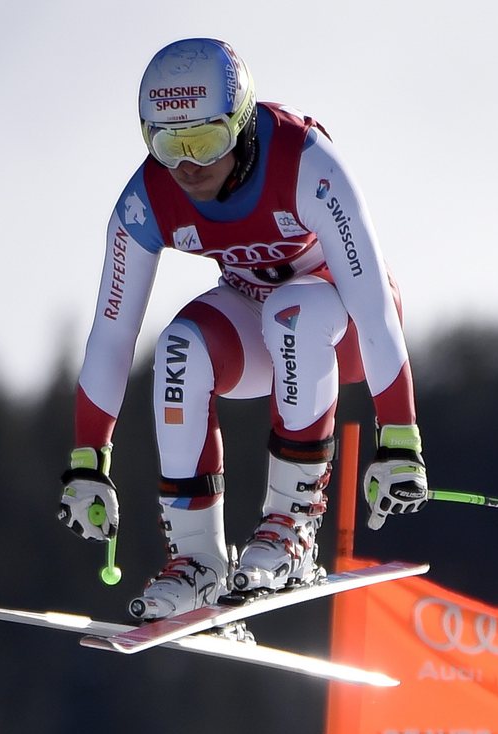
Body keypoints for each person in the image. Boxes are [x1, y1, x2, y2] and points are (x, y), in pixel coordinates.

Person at [57, 37, 427, 620]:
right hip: (259, 315)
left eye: (205, 142)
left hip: (345, 326)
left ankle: (291, 531)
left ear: (242, 123)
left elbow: (375, 305)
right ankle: (199, 562)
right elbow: (111, 334)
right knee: (178, 346)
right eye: (166, 144)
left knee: (294, 313)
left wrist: (399, 436)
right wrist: (87, 459)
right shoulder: (147, 199)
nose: (187, 166)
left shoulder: (305, 162)